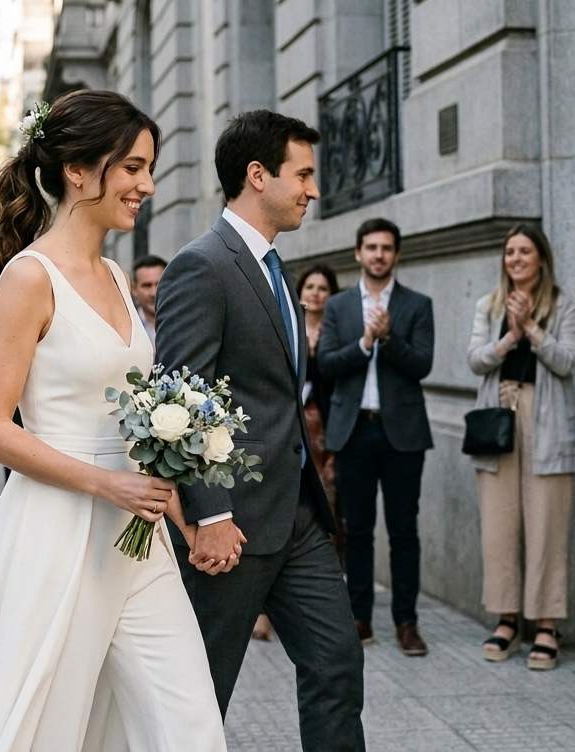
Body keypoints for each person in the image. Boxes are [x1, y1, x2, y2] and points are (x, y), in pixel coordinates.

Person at [0, 90, 226, 750]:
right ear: (77, 171)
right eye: (132, 167)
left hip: (137, 537)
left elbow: (138, 423)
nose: (147, 185)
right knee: (43, 725)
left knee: (188, 724)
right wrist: (105, 483)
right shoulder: (29, 277)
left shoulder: (116, 275)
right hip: (56, 536)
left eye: (148, 169)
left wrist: (188, 518)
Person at [156, 109, 364, 750]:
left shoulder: (279, 269)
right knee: (201, 692)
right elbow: (178, 399)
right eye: (302, 175)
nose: (313, 190)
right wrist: (212, 513)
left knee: (336, 663)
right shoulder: (201, 266)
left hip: (298, 515)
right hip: (232, 525)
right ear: (257, 175)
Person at [468, 224, 575, 671]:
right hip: (498, 416)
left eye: (524, 251)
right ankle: (507, 618)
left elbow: (567, 362)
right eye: (509, 252)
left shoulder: (565, 304)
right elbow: (475, 360)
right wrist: (509, 337)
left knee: (546, 523)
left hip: (546, 419)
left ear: (541, 259)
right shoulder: (488, 304)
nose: (515, 259)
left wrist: (531, 328)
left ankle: (547, 624)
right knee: (499, 524)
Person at [319, 218, 435, 657]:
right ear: (358, 253)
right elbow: (327, 363)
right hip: (354, 431)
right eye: (371, 247)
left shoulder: (417, 304)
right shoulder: (339, 306)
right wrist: (366, 342)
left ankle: (407, 622)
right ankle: (360, 617)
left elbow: (422, 364)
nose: (379, 254)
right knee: (357, 529)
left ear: (396, 254)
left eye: (386, 248)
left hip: (402, 433)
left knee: (404, 530)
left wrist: (390, 339)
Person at [253, 262, 343, 643]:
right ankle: (263, 608)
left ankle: (311, 592)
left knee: (323, 510)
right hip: (282, 432)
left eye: (324, 288)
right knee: (272, 513)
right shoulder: (283, 319)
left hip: (320, 434)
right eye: (311, 287)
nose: (316, 294)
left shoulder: (337, 331)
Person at [131, 254, 166, 344]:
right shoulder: (127, 327)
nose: (154, 293)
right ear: (134, 289)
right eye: (147, 285)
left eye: (159, 284)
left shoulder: (186, 324)